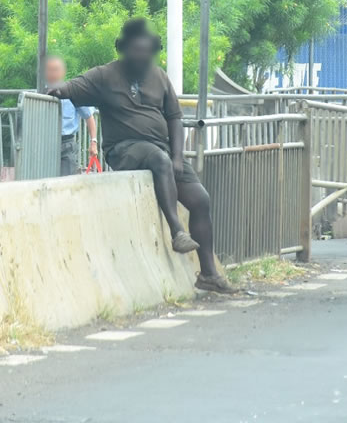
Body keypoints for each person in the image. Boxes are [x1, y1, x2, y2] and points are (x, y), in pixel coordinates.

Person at [47, 18, 236, 294]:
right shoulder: (104, 76)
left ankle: (209, 274)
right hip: (124, 149)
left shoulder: (159, 76)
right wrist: (57, 90)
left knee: (200, 199)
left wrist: (178, 157)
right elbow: (72, 88)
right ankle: (176, 232)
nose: (142, 56)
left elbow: (174, 116)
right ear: (124, 50)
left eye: (147, 51)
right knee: (158, 159)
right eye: (136, 51)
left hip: (160, 147)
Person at [44, 56, 98, 176]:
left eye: (56, 69)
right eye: (50, 70)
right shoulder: (40, 93)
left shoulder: (73, 92)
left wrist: (93, 142)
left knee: (66, 182)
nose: (53, 73)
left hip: (66, 143)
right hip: (44, 143)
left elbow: (89, 117)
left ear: (63, 72)